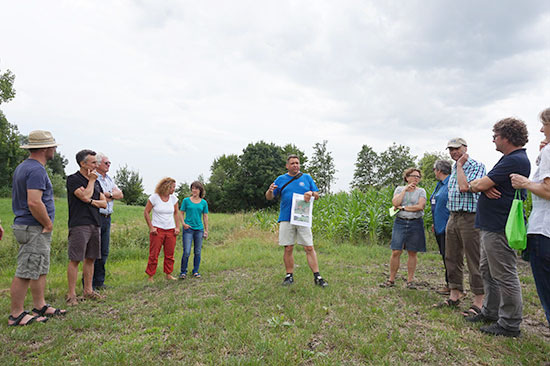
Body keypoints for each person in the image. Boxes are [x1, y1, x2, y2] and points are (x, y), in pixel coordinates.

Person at [467, 118, 530, 337]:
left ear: (506, 137)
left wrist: (482, 186)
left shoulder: (515, 160)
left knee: (504, 273)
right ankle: (491, 311)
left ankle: (510, 323)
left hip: (500, 226)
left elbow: (478, 184)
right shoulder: (507, 159)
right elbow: (480, 185)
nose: (493, 139)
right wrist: (483, 187)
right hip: (491, 225)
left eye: (495, 135)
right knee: (488, 270)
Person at [8, 130, 66, 326]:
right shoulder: (36, 170)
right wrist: (48, 223)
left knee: (39, 267)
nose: (55, 149)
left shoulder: (25, 167)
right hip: (34, 227)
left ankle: (39, 305)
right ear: (45, 148)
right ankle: (16, 314)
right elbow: (34, 202)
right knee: (26, 270)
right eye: (53, 146)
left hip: (31, 226)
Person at [510, 108, 550, 328]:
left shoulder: (549, 151)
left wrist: (524, 183)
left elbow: (548, 190)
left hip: (544, 232)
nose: (541, 129)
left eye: (544, 124)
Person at [437, 138, 485, 315]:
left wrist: (459, 167)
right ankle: (455, 294)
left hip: (470, 217)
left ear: (465, 148)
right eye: (450, 150)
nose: (453, 152)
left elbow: (465, 188)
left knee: (474, 259)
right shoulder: (453, 167)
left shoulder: (476, 166)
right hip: (453, 216)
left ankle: (479, 300)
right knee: (452, 257)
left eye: (457, 149)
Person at [266, 154, 328, 287]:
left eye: (297, 163)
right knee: (288, 247)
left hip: (302, 217)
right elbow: (269, 197)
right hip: (286, 217)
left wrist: (311, 194)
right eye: (292, 163)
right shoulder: (280, 179)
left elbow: (317, 195)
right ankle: (289, 276)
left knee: (309, 247)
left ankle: (318, 276)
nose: (295, 165)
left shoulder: (307, 178)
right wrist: (270, 191)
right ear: (287, 166)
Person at [66, 149, 107, 306]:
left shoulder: (96, 182)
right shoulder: (73, 179)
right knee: (76, 258)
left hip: (95, 222)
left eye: (97, 162)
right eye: (93, 162)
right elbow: (83, 196)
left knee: (90, 258)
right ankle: (71, 295)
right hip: (79, 224)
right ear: (83, 164)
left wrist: (91, 202)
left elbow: (104, 203)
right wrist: (90, 182)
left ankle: (88, 291)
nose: (96, 165)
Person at [381, 168, 427, 289]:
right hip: (400, 222)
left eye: (418, 177)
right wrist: (405, 190)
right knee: (396, 251)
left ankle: (410, 280)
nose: (416, 178)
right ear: (407, 177)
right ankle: (391, 279)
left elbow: (420, 207)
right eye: (414, 176)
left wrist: (403, 208)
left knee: (412, 252)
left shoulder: (421, 191)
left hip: (415, 222)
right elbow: (395, 203)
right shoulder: (399, 189)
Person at [91, 153, 123, 291]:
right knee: (93, 251)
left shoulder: (109, 179)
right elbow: (99, 196)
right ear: (98, 164)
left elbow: (120, 195)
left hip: (107, 217)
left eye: (109, 163)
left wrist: (109, 195)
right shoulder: (93, 178)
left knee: (104, 251)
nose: (109, 165)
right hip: (97, 216)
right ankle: (89, 283)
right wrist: (108, 196)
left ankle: (99, 281)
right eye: (106, 163)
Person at [144, 177, 180, 282]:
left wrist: (177, 227)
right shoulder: (154, 198)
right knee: (154, 254)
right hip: (157, 230)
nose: (174, 189)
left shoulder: (174, 199)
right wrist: (151, 227)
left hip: (170, 230)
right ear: (166, 186)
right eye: (173, 187)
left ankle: (168, 274)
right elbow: (146, 212)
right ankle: (150, 276)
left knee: (170, 254)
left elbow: (176, 213)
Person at [178, 181, 209, 279]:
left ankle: (195, 271)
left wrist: (206, 230)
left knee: (197, 251)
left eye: (196, 188)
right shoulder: (186, 201)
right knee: (186, 251)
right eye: (193, 188)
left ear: (200, 190)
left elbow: (205, 217)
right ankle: (183, 272)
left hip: (199, 229)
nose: (194, 190)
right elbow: (181, 213)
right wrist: (183, 223)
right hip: (188, 229)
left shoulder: (204, 203)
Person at [430, 160, 452, 295]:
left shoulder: (450, 183)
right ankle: (449, 283)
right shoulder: (439, 185)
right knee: (444, 255)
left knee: (450, 257)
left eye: (434, 169)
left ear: (439, 170)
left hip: (448, 226)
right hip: (439, 226)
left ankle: (453, 285)